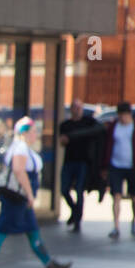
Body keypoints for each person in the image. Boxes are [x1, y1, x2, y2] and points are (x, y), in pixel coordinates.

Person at [0, 116, 71, 268]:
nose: (36, 134)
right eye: (34, 131)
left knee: (33, 231)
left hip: (20, 199)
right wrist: (29, 194)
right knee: (2, 230)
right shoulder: (20, 148)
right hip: (17, 199)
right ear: (26, 133)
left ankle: (49, 265)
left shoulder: (21, 147)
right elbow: (18, 171)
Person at [102, 102, 135, 240]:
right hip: (116, 166)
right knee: (116, 196)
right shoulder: (114, 127)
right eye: (120, 115)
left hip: (134, 166)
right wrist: (104, 166)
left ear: (129, 115)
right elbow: (107, 145)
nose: (122, 118)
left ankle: (133, 220)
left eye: (124, 116)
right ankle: (116, 226)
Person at [57, 99, 100, 233]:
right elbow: (62, 141)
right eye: (75, 107)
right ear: (71, 109)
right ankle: (75, 212)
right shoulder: (66, 125)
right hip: (69, 161)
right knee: (64, 189)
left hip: (83, 162)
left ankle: (77, 220)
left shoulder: (88, 122)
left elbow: (100, 128)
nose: (77, 110)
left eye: (79, 107)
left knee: (79, 190)